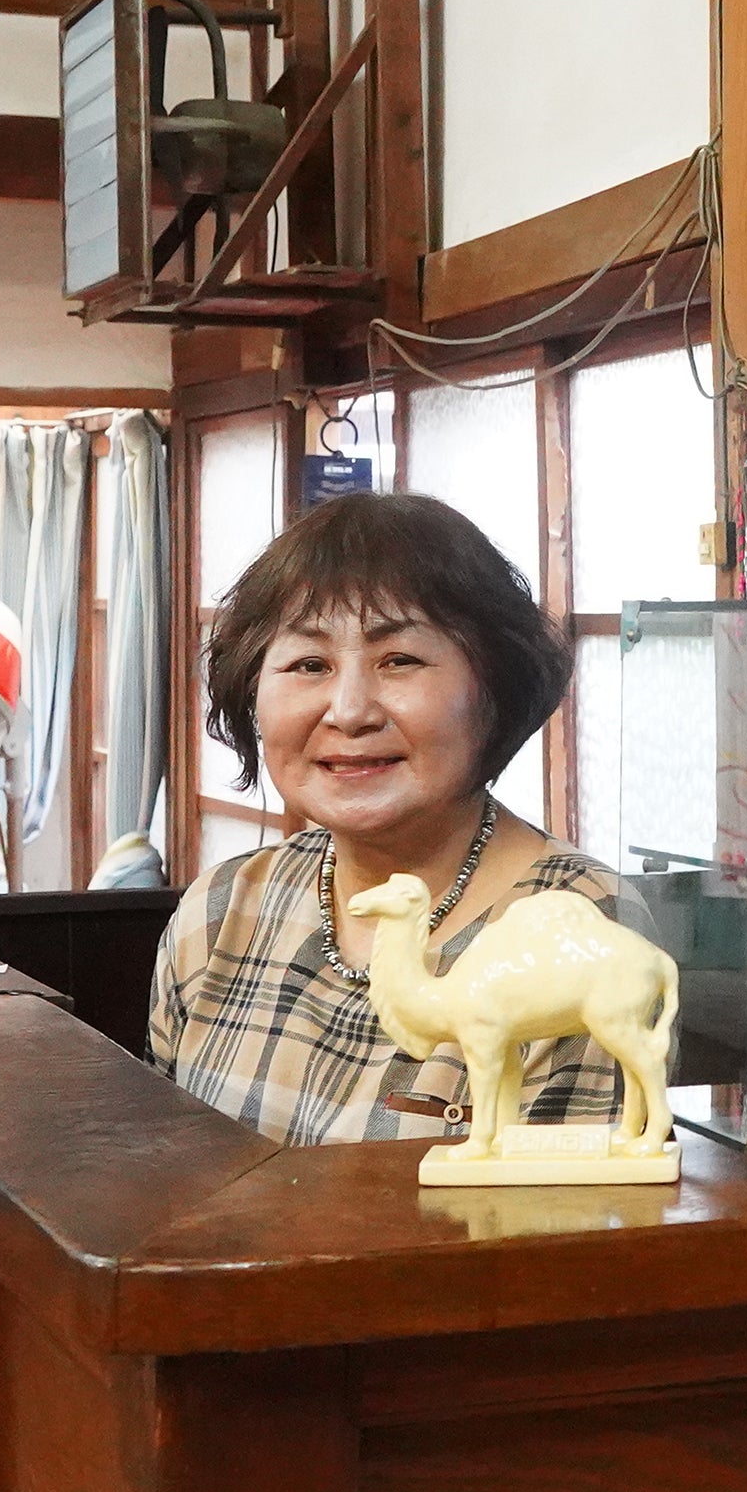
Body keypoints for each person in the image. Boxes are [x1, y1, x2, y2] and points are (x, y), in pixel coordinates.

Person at [148, 490, 628, 1144]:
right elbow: (164, 1189)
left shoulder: (577, 927)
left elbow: (560, 1233)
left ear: (495, 687)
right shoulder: (222, 910)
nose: (349, 710)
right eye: (308, 664)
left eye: (398, 659)